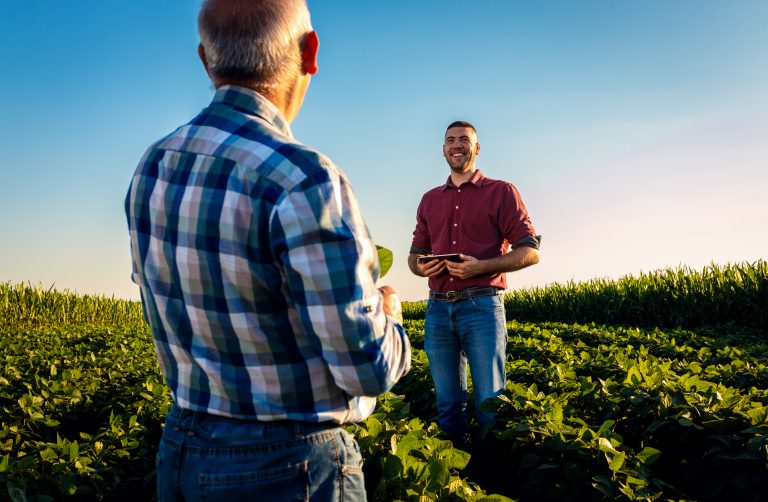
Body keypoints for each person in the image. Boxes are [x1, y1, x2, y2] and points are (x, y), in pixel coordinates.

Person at [125, 1, 411, 500]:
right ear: (311, 51)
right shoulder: (304, 177)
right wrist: (389, 316)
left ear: (205, 59)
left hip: (182, 448)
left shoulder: (154, 163)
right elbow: (365, 368)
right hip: (290, 464)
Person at [407, 120, 540, 447]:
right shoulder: (429, 200)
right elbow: (413, 256)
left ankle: (491, 470)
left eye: (464, 140)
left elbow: (530, 252)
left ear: (477, 148)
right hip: (438, 309)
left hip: (482, 306)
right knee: (448, 404)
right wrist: (423, 268)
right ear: (443, 149)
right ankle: (456, 477)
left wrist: (481, 266)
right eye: (450, 140)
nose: (457, 145)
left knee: (489, 403)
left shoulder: (501, 192)